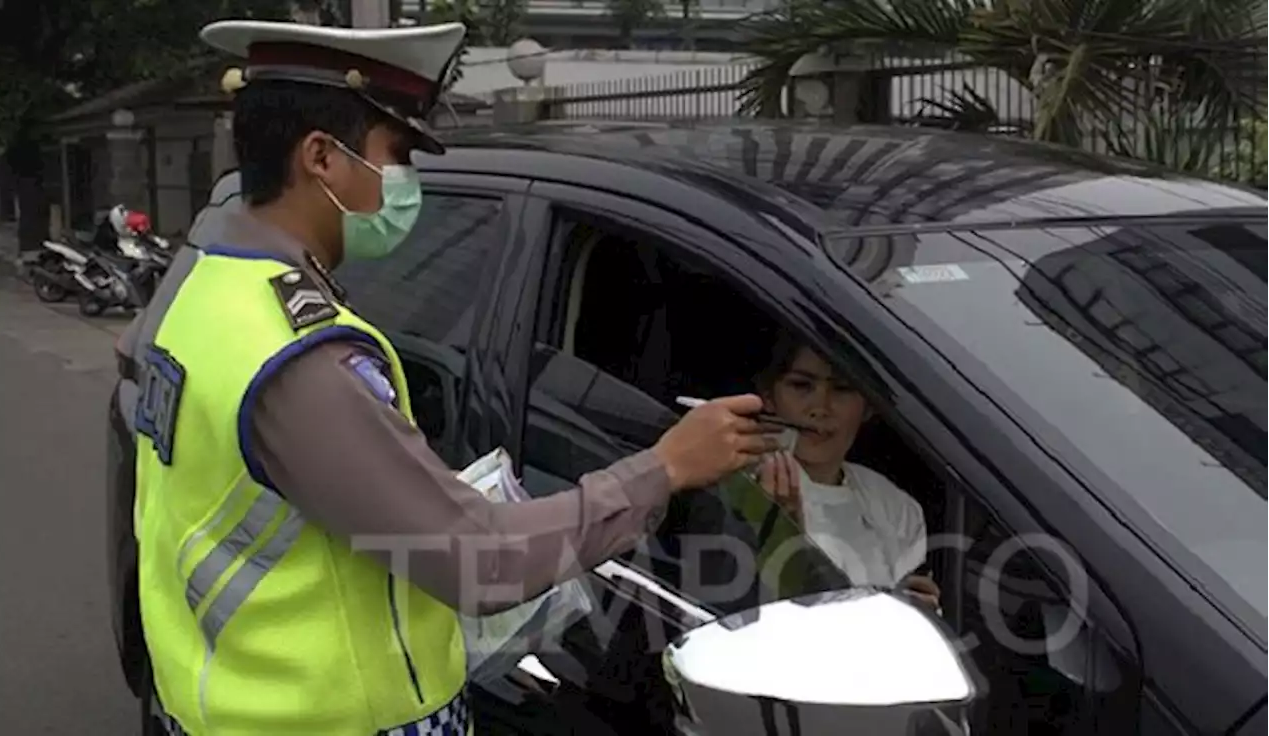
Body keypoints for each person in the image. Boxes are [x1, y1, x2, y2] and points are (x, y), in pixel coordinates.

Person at [116, 19, 780, 736]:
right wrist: (666, 467)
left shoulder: (203, 291)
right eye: (395, 155)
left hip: (224, 699)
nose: (407, 183)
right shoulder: (300, 356)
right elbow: (480, 563)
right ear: (320, 158)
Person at [750, 333, 940, 608]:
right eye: (801, 385)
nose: (820, 408)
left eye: (841, 389)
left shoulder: (896, 508)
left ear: (868, 406)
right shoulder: (741, 482)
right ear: (769, 397)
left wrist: (920, 609)